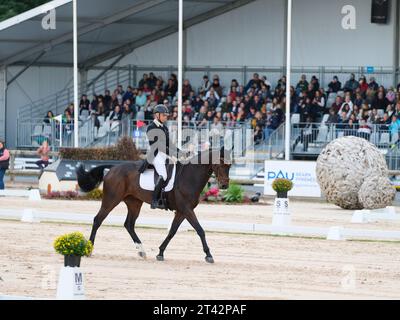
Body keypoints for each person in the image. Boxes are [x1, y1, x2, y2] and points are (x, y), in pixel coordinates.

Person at [146, 105, 179, 209]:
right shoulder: (151, 127)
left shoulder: (164, 127)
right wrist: (172, 154)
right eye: (164, 115)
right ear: (157, 115)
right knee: (163, 175)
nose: (166, 117)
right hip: (155, 155)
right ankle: (154, 200)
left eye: (166, 115)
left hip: (164, 154)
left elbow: (169, 143)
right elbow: (158, 146)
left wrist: (180, 152)